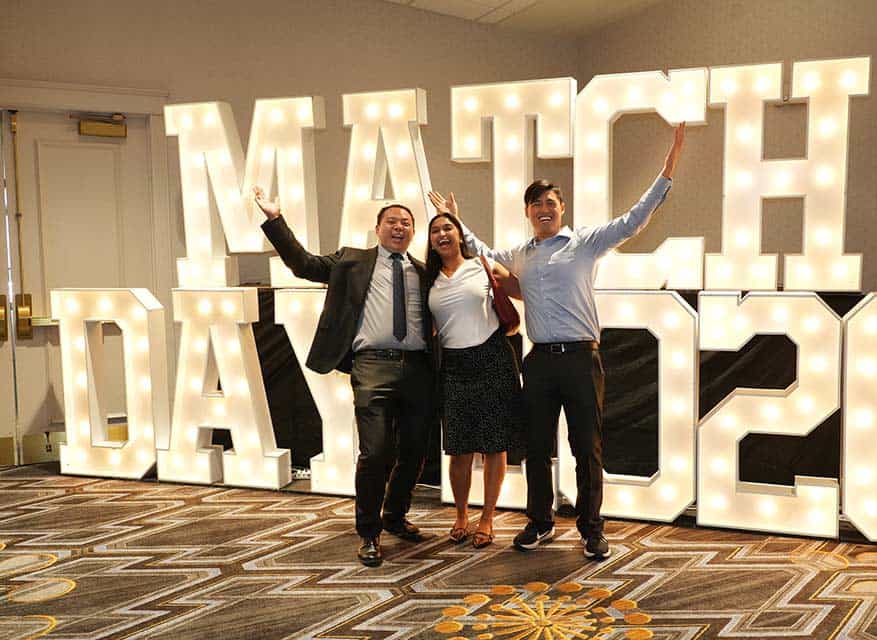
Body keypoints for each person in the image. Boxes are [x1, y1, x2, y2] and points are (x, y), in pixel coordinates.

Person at [431, 123, 686, 560]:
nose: (543, 209)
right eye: (536, 204)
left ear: (562, 209)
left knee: (586, 448)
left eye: (550, 202)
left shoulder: (585, 242)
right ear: (527, 212)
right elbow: (482, 253)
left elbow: (633, 220)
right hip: (539, 362)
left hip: (582, 360)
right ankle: (539, 522)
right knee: (535, 447)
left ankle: (591, 528)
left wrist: (669, 166)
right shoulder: (521, 253)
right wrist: (455, 220)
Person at [254, 187, 434, 568]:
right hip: (372, 365)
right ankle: (369, 532)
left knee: (416, 450)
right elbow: (303, 264)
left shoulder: (423, 272)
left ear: (414, 232)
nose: (399, 227)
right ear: (377, 229)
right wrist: (275, 220)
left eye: (406, 223)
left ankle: (395, 516)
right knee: (375, 452)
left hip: (419, 368)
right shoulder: (352, 260)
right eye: (391, 221)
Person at [424, 211, 522, 549]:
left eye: (448, 227)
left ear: (460, 233)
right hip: (453, 365)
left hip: (492, 357)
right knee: (459, 448)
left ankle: (487, 518)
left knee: (494, 444)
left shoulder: (483, 264)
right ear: (430, 241)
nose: (442, 234)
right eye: (435, 231)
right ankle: (462, 515)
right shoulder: (428, 279)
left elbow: (522, 289)